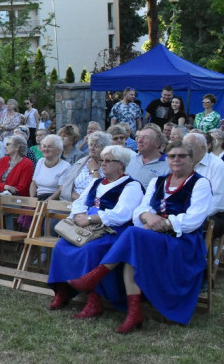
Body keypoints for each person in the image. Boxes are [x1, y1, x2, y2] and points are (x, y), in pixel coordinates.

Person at [67, 140, 212, 333]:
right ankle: (133, 312)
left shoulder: (200, 183)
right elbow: (139, 211)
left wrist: (165, 223)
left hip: (183, 242)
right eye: (172, 156)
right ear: (166, 159)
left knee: (132, 235)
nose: (176, 160)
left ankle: (97, 276)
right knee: (132, 246)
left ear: (191, 159)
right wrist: (148, 216)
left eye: (182, 156)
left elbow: (195, 219)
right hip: (153, 236)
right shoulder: (158, 181)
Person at [46, 145, 143, 316]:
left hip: (112, 231)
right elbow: (80, 202)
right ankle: (63, 292)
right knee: (62, 246)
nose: (102, 164)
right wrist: (79, 215)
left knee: (91, 250)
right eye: (101, 160)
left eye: (108, 161)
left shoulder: (131, 186)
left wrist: (91, 218)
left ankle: (94, 300)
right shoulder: (96, 182)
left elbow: (122, 214)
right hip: (86, 227)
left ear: (121, 165)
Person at [184, 132, 224, 245]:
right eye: (184, 146)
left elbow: (218, 202)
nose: (186, 150)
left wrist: (193, 215)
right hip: (187, 211)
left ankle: (195, 259)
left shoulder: (219, 167)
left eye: (189, 146)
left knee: (186, 230)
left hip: (214, 215)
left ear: (204, 148)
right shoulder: (184, 164)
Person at [60, 130, 111, 202]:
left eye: (96, 146)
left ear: (104, 149)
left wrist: (94, 171)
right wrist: (80, 198)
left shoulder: (108, 166)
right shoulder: (81, 163)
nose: (92, 148)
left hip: (95, 204)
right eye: (90, 145)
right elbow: (67, 187)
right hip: (74, 202)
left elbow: (102, 189)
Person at [30, 134, 70, 201]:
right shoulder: (40, 161)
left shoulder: (65, 166)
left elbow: (61, 189)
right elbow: (33, 183)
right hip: (38, 197)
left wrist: (48, 201)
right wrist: (32, 199)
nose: (46, 149)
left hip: (54, 200)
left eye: (50, 147)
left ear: (58, 150)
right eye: (44, 146)